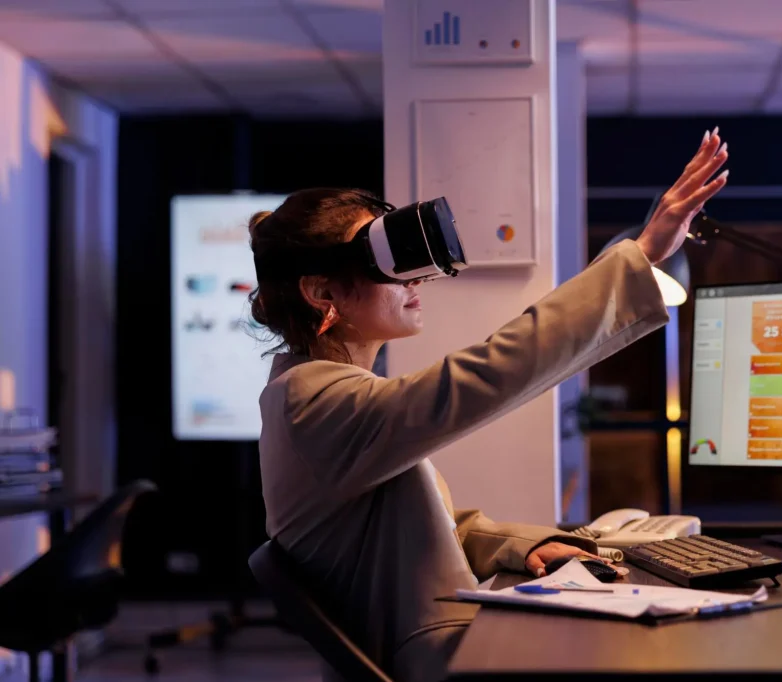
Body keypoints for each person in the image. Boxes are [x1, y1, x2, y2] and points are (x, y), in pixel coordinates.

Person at [252, 128, 728, 682]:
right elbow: (484, 376)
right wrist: (641, 257)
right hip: (447, 663)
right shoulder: (311, 400)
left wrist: (527, 545)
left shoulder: (325, 398)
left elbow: (417, 525)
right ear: (322, 293)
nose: (418, 277)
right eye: (387, 259)